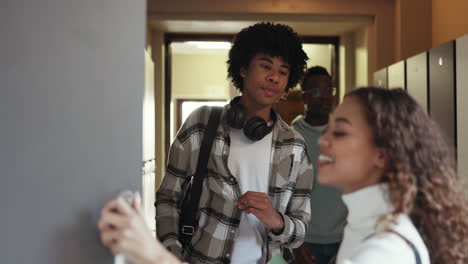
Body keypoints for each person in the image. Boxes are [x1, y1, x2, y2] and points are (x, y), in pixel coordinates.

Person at [155, 22, 313, 264]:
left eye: (283, 71)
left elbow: (299, 230)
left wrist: (276, 220)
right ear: (243, 68)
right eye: (265, 66)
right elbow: (168, 197)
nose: (274, 77)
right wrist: (172, 253)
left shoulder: (295, 145)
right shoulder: (202, 122)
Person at [318, 87, 468, 264]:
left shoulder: (384, 253)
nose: (322, 140)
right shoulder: (366, 228)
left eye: (340, 132)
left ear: (382, 155)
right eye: (328, 128)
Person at [290, 66, 347, 264]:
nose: (324, 97)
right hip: (306, 242)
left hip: (344, 240)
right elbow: (282, 194)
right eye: (316, 92)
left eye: (328, 91)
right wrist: (295, 242)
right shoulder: (291, 138)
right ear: (303, 98)